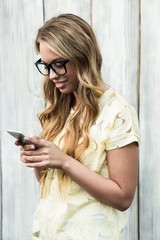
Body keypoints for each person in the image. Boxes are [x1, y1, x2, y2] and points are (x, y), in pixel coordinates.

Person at [16, 13, 140, 240]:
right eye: (46, 66)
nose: (52, 75)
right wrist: (40, 159)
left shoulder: (117, 112)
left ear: (81, 56)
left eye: (59, 65)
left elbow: (123, 198)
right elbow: (57, 189)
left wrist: (63, 160)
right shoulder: (62, 108)